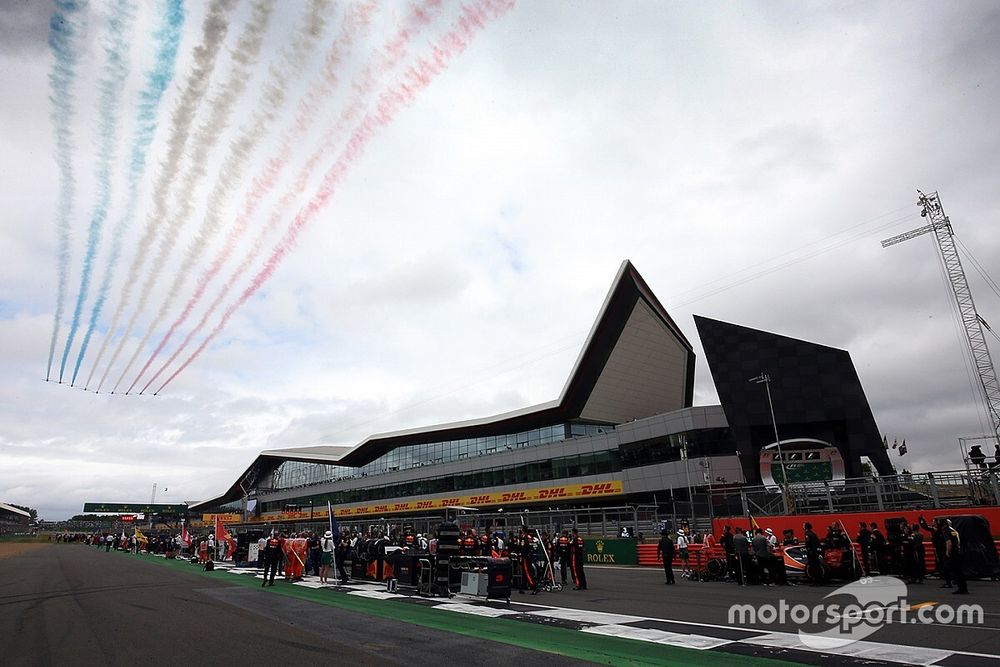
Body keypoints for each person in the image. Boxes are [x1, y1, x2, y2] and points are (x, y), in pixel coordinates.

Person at [944, 519, 968, 594]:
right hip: (958, 551)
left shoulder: (946, 530)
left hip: (954, 552)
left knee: (956, 570)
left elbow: (949, 542)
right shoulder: (953, 530)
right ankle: (963, 587)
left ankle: (961, 588)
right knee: (959, 571)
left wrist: (947, 552)